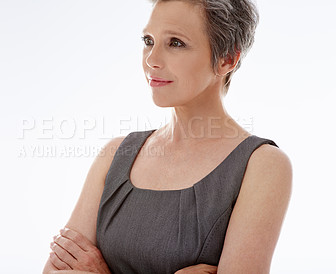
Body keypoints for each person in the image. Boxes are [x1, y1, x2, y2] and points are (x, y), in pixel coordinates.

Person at [43, 0, 292, 273]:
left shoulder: (263, 166)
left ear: (227, 59)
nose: (152, 60)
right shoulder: (116, 154)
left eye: (175, 43)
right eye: (148, 40)